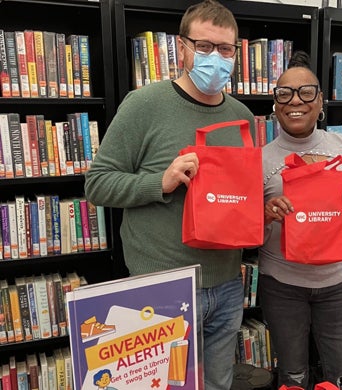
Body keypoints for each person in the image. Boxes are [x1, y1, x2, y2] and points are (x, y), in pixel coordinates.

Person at [84, 1, 256, 389]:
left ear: (236, 52)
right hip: (161, 286)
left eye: (225, 49)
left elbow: (238, 197)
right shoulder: (144, 104)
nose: (216, 57)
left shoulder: (243, 117)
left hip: (227, 284)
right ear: (181, 49)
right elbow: (97, 184)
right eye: (204, 46)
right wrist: (158, 183)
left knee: (218, 384)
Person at [258, 51, 342, 389]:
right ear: (276, 103)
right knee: (293, 377)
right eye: (285, 93)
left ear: (321, 99)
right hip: (282, 286)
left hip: (336, 285)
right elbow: (247, 236)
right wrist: (265, 215)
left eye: (306, 92)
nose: (295, 101)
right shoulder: (260, 159)